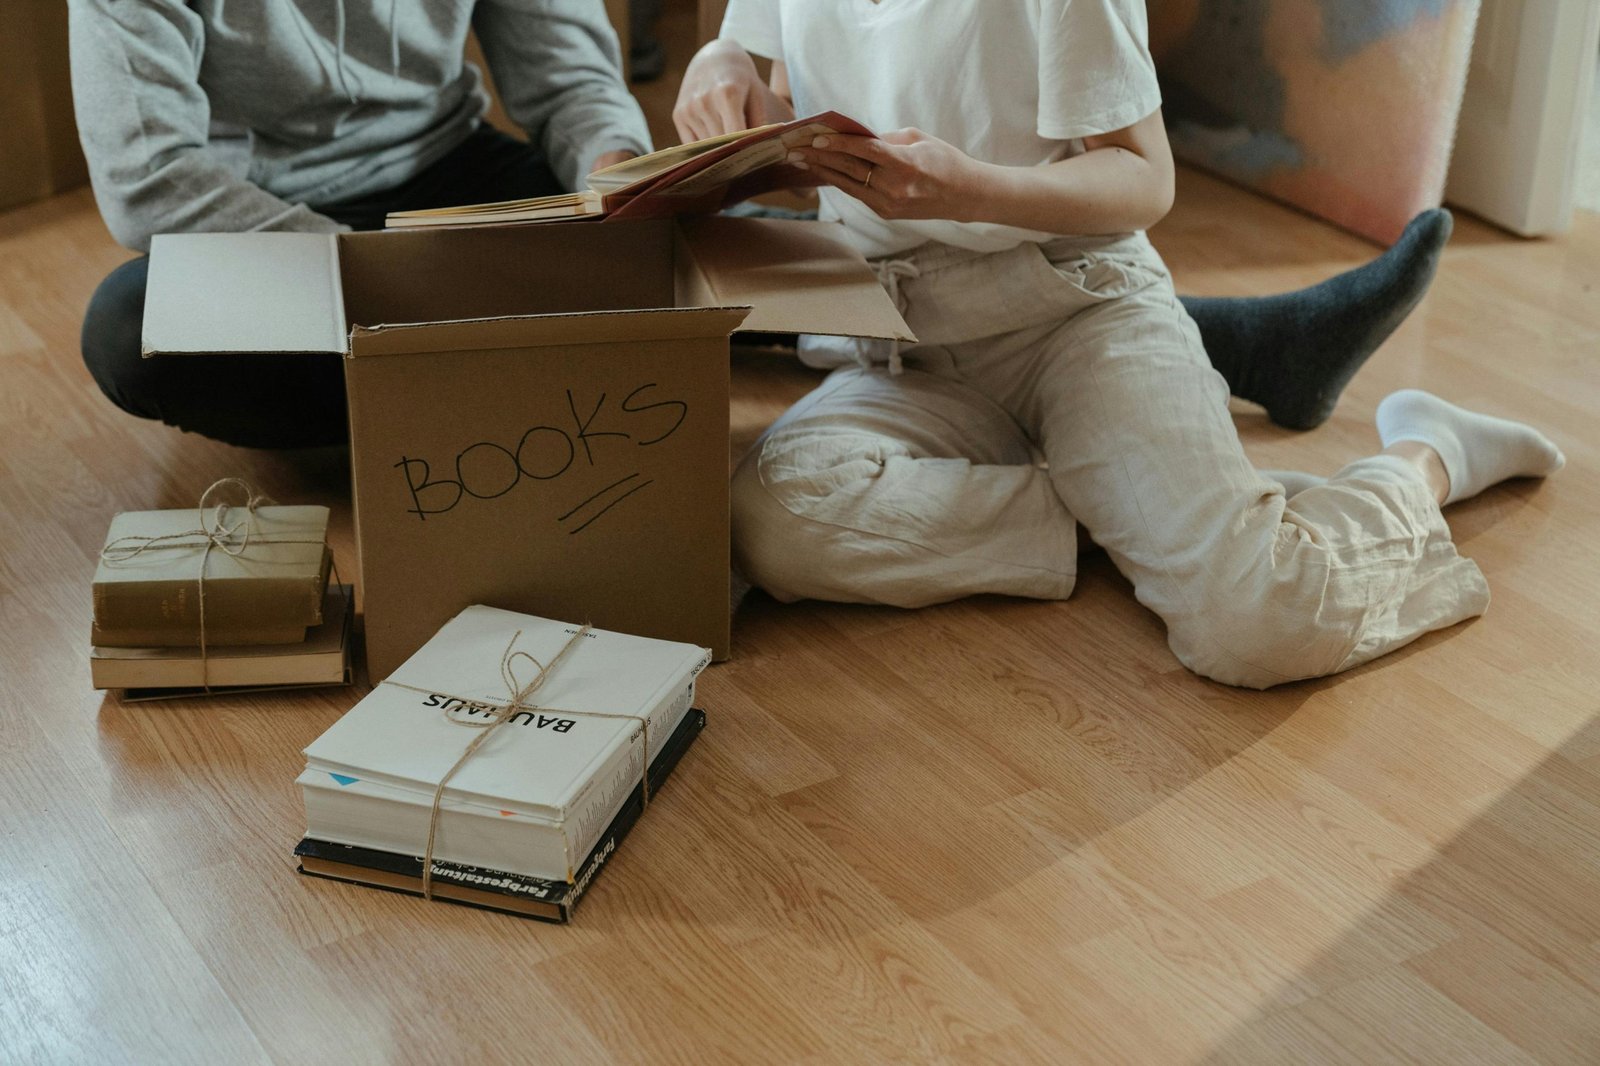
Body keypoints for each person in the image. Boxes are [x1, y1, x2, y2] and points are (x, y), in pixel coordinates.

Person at [676, 0, 1565, 689]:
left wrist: (970, 189)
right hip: (902, 342)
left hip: (1074, 311)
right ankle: (1142, 512)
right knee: (774, 520)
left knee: (1252, 622)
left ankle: (1427, 457)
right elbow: (777, 86)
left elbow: (1145, 178)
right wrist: (718, 66)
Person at [71, 0, 650, 449]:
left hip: (448, 164)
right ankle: (532, 378)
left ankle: (453, 388)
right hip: (255, 218)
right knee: (130, 332)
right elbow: (148, 177)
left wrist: (615, 182)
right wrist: (377, 274)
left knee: (693, 243)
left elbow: (574, 82)